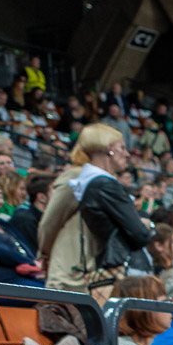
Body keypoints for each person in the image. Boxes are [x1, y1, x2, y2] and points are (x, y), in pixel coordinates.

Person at [40, 123, 154, 296]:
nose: (127, 154)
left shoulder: (100, 180)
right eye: (122, 147)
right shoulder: (79, 177)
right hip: (72, 268)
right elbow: (51, 220)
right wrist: (45, 254)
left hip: (90, 267)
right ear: (108, 149)